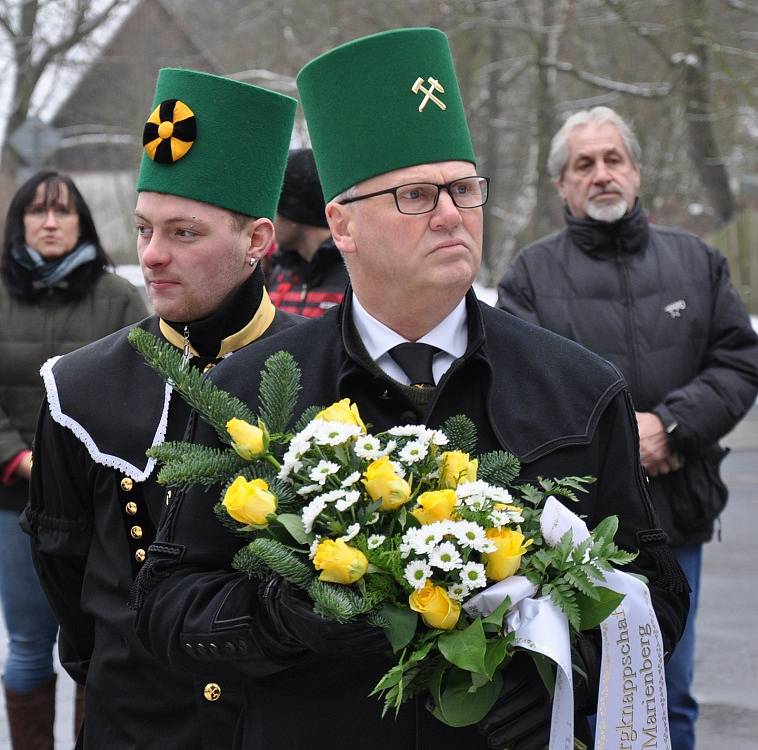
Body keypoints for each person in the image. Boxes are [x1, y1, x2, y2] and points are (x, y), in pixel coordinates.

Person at [133, 31, 689, 750]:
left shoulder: (577, 387)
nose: (453, 215)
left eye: (463, 189)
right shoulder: (253, 392)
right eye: (416, 195)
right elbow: (165, 608)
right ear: (342, 224)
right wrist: (279, 615)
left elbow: (656, 596)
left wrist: (559, 671)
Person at [22, 69, 298, 749]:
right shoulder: (79, 389)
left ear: (257, 241)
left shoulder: (326, 374)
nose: (151, 256)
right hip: (135, 720)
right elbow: (66, 572)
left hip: (281, 720)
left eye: (183, 233)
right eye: (144, 228)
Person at [496, 105, 758, 750]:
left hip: (678, 512)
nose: (601, 174)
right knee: (581, 697)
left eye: (614, 159)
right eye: (584, 164)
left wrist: (670, 427)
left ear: (636, 172)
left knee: (670, 697)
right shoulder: (529, 276)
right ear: (562, 184)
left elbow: (738, 358)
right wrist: (622, 443)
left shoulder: (697, 263)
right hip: (573, 529)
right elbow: (517, 388)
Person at [0, 169, 147, 749]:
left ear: (83, 220)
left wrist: (84, 465)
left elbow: (141, 384)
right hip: (14, 502)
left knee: (98, 644)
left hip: (101, 503)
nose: (52, 222)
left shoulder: (117, 297)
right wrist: (17, 459)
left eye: (64, 211)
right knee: (30, 644)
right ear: (20, 223)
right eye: (38, 211)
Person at [267, 147, 348, 316]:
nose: (270, 221)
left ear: (294, 214)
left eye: (275, 209)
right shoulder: (280, 272)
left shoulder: (355, 276)